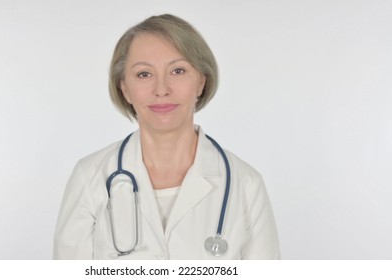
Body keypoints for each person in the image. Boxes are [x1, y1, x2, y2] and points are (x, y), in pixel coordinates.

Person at [53, 14, 280, 260]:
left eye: (178, 70)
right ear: (124, 88)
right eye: (144, 74)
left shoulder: (245, 184)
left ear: (201, 81)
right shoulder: (91, 178)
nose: (161, 89)